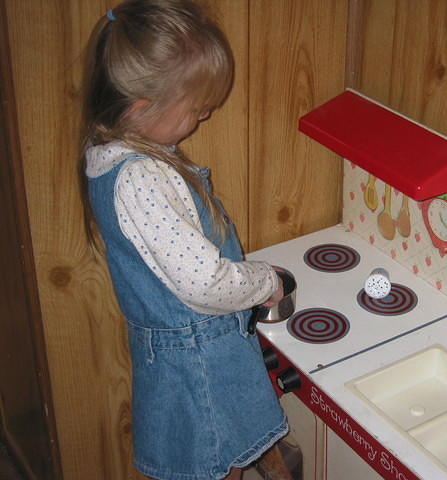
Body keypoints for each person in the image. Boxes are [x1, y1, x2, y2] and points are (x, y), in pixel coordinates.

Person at [78, 1, 290, 479]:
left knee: (210, 462)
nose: (205, 117)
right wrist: (265, 282)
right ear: (140, 108)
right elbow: (205, 283)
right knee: (217, 464)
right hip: (199, 359)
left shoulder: (110, 154)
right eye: (196, 109)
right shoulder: (143, 177)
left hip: (179, 354)